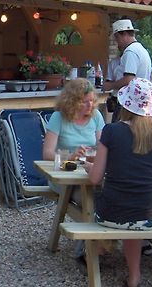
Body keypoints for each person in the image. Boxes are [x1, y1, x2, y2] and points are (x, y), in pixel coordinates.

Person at [85, 78, 152, 287]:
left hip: (111, 214)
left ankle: (98, 252)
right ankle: (134, 275)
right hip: (149, 217)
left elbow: (95, 179)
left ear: (125, 104)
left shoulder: (111, 131)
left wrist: (91, 168)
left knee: (107, 204)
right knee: (137, 211)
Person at [43, 78, 105, 264]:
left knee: (108, 196)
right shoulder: (59, 118)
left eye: (92, 101)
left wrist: (96, 155)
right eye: (84, 101)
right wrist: (70, 155)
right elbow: (47, 154)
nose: (90, 105)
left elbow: (103, 146)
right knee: (90, 201)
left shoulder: (96, 117)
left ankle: (100, 246)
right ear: (72, 100)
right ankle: (86, 252)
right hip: (64, 175)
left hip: (88, 172)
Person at [103, 19, 152, 122]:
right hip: (140, 102)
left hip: (128, 104)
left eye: (117, 38)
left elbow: (129, 79)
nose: (117, 42)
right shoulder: (142, 50)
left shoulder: (130, 51)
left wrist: (110, 85)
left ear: (124, 34)